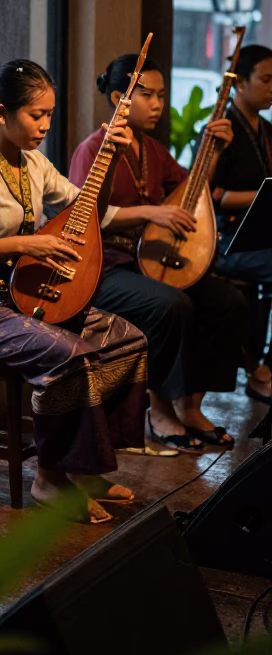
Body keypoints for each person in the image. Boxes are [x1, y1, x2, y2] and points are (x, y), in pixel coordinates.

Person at [0, 59, 147, 525]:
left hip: (29, 299)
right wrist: (25, 243)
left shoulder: (33, 163)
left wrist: (108, 156)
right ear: (3, 113)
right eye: (37, 115)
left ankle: (88, 467)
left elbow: (87, 207)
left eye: (50, 114)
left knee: (126, 339)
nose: (46, 125)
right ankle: (50, 478)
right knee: (70, 356)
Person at [70, 54, 245, 451]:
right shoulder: (93, 148)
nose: (157, 105)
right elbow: (84, 218)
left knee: (227, 300)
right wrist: (150, 212)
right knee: (171, 304)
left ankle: (191, 405)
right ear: (118, 98)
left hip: (146, 260)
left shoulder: (152, 149)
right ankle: (159, 410)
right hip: (104, 268)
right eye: (146, 95)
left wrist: (212, 150)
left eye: (161, 96)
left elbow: (191, 193)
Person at [209, 43, 272, 401]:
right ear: (240, 84)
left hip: (260, 235)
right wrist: (263, 196)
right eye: (265, 79)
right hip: (227, 238)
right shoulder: (223, 128)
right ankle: (260, 369)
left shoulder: (266, 130)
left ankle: (265, 365)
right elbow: (212, 195)